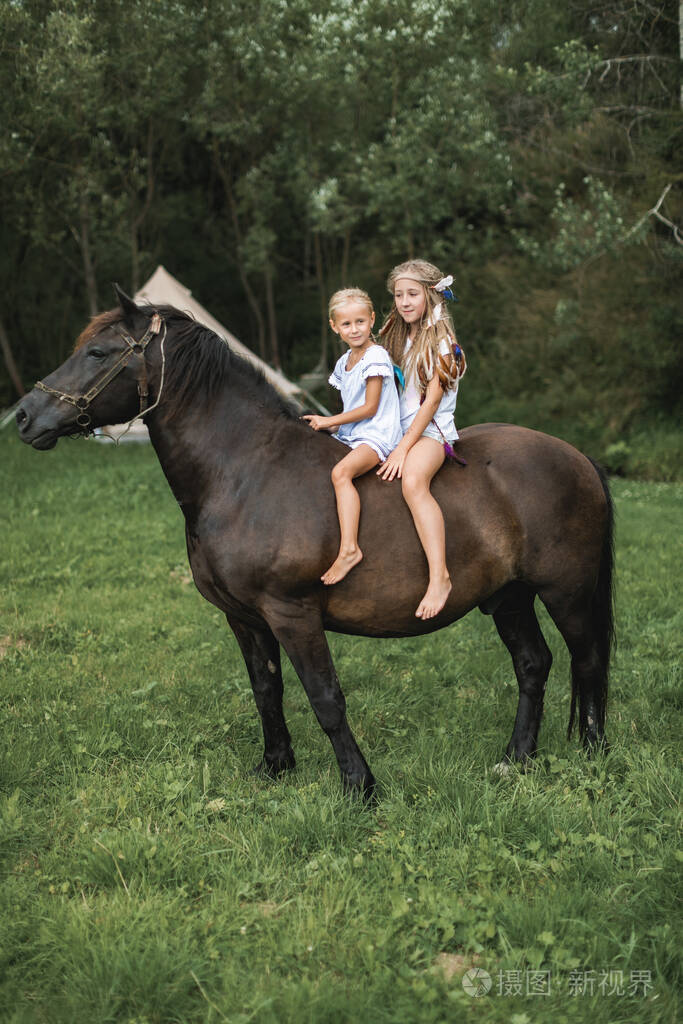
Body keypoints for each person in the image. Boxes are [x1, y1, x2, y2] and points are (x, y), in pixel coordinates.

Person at [377, 259, 467, 620]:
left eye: (412, 294)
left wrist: (403, 449)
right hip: (395, 429)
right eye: (398, 295)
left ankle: (439, 576)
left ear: (432, 295)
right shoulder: (398, 335)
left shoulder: (443, 343)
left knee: (413, 481)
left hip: (430, 431)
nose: (404, 301)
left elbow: (430, 403)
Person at [303, 288, 402, 585]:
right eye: (346, 324)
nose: (354, 329)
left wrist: (330, 420)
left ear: (372, 319)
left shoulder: (376, 357)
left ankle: (350, 549)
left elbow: (370, 407)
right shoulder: (345, 361)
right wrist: (331, 427)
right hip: (353, 434)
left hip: (377, 435)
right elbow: (351, 406)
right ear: (334, 327)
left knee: (342, 473)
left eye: (360, 321)